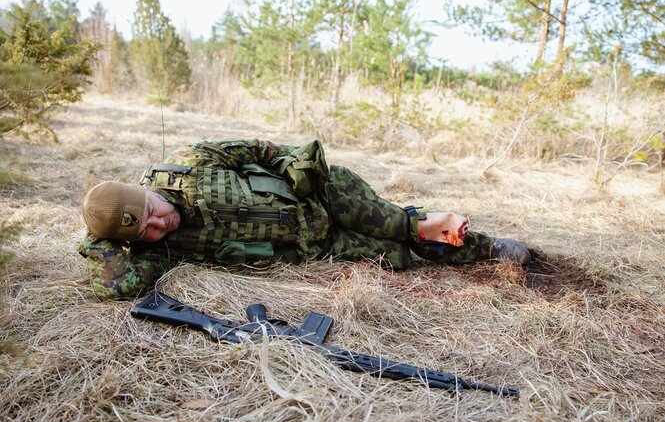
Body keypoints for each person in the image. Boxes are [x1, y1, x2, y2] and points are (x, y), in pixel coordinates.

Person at [79, 139, 530, 299]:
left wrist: (292, 166)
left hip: (323, 197)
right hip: (315, 244)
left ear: (143, 188)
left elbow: (257, 149)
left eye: (152, 213)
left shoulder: (190, 161)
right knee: (398, 256)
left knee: (396, 225)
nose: (161, 226)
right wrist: (98, 242)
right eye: (146, 231)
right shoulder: (158, 249)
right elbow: (121, 286)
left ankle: (486, 247)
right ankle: (427, 237)